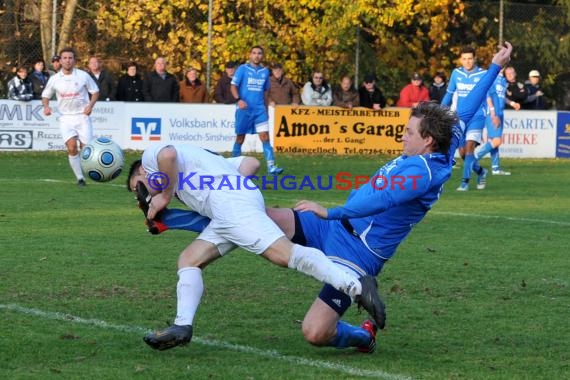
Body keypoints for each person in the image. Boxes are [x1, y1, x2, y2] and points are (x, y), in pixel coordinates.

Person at [133, 42, 514, 353]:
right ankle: (173, 231)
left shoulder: (424, 172)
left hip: (358, 252)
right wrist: (495, 66)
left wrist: (329, 210)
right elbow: (468, 106)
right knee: (256, 214)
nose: (403, 136)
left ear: (428, 140)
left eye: (409, 132)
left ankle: (363, 332)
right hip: (331, 228)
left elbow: (377, 201)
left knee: (315, 333)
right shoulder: (442, 140)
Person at [127, 144, 386, 351]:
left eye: (138, 188)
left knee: (283, 255)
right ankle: (182, 326)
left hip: (229, 207)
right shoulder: (200, 161)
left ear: (143, 172)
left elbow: (167, 154)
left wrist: (163, 195)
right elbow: (251, 164)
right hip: (228, 209)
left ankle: (356, 286)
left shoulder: (152, 158)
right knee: (189, 260)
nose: (143, 195)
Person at [41, 47, 99, 187]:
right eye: (65, 58)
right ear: (60, 61)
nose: (68, 60)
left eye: (70, 58)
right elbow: (45, 95)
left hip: (82, 116)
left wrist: (90, 106)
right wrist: (46, 106)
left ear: (74, 60)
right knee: (72, 147)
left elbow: (95, 91)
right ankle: (80, 178)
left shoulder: (83, 75)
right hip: (66, 118)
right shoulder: (55, 79)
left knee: (86, 149)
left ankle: (91, 170)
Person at [231, 45, 284, 175]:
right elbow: (233, 86)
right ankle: (232, 166)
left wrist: (266, 109)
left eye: (259, 53)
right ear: (250, 55)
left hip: (259, 110)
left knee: (265, 137)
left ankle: (271, 167)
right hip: (244, 110)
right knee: (240, 138)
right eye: (254, 53)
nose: (257, 55)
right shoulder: (243, 69)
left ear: (262, 56)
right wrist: (238, 100)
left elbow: (265, 92)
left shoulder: (265, 72)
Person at [441, 45, 488, 192]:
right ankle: (481, 172)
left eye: (470, 59)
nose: (467, 62)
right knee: (462, 153)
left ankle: (464, 183)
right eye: (464, 59)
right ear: (460, 60)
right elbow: (449, 94)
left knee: (469, 149)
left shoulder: (483, 74)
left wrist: (491, 111)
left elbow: (490, 93)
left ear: (474, 59)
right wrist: (439, 110)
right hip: (460, 117)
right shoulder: (456, 73)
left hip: (477, 116)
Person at [474, 67, 511, 176]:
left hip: (500, 112)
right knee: (497, 141)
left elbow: (501, 96)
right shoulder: (491, 78)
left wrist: (512, 103)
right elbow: (488, 97)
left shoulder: (503, 80)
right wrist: (493, 112)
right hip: (493, 113)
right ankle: (473, 159)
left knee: (495, 142)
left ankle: (495, 168)